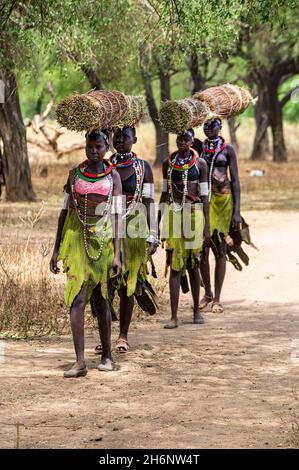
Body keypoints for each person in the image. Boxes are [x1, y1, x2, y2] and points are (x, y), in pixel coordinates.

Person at [50, 129, 122, 377]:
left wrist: (117, 255)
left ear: (106, 147)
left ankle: (107, 355)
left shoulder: (114, 178)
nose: (93, 151)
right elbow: (63, 212)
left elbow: (117, 216)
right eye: (90, 147)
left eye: (98, 147)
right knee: (77, 299)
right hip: (76, 242)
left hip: (102, 245)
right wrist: (56, 249)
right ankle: (80, 361)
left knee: (101, 300)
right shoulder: (74, 176)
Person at [95, 126, 159, 354]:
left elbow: (150, 202)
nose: (120, 140)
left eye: (126, 137)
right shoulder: (104, 165)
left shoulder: (143, 168)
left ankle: (123, 334)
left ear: (135, 140)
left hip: (135, 229)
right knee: (105, 284)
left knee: (129, 285)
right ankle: (106, 335)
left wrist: (153, 234)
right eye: (117, 136)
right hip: (107, 228)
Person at [158, 128, 210, 329]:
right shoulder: (167, 164)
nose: (182, 142)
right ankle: (173, 316)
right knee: (175, 265)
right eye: (179, 139)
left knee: (194, 264)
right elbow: (164, 194)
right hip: (173, 214)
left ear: (192, 141)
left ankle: (196, 310)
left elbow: (205, 196)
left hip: (194, 215)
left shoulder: (200, 164)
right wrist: (157, 221)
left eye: (186, 139)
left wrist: (207, 225)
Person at [199, 118, 241, 313]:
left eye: (212, 125)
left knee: (221, 250)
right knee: (202, 250)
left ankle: (217, 298)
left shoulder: (228, 149)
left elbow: (236, 181)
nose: (209, 129)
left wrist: (237, 211)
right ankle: (207, 292)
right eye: (205, 126)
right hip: (204, 202)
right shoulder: (199, 148)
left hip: (224, 202)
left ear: (220, 127)